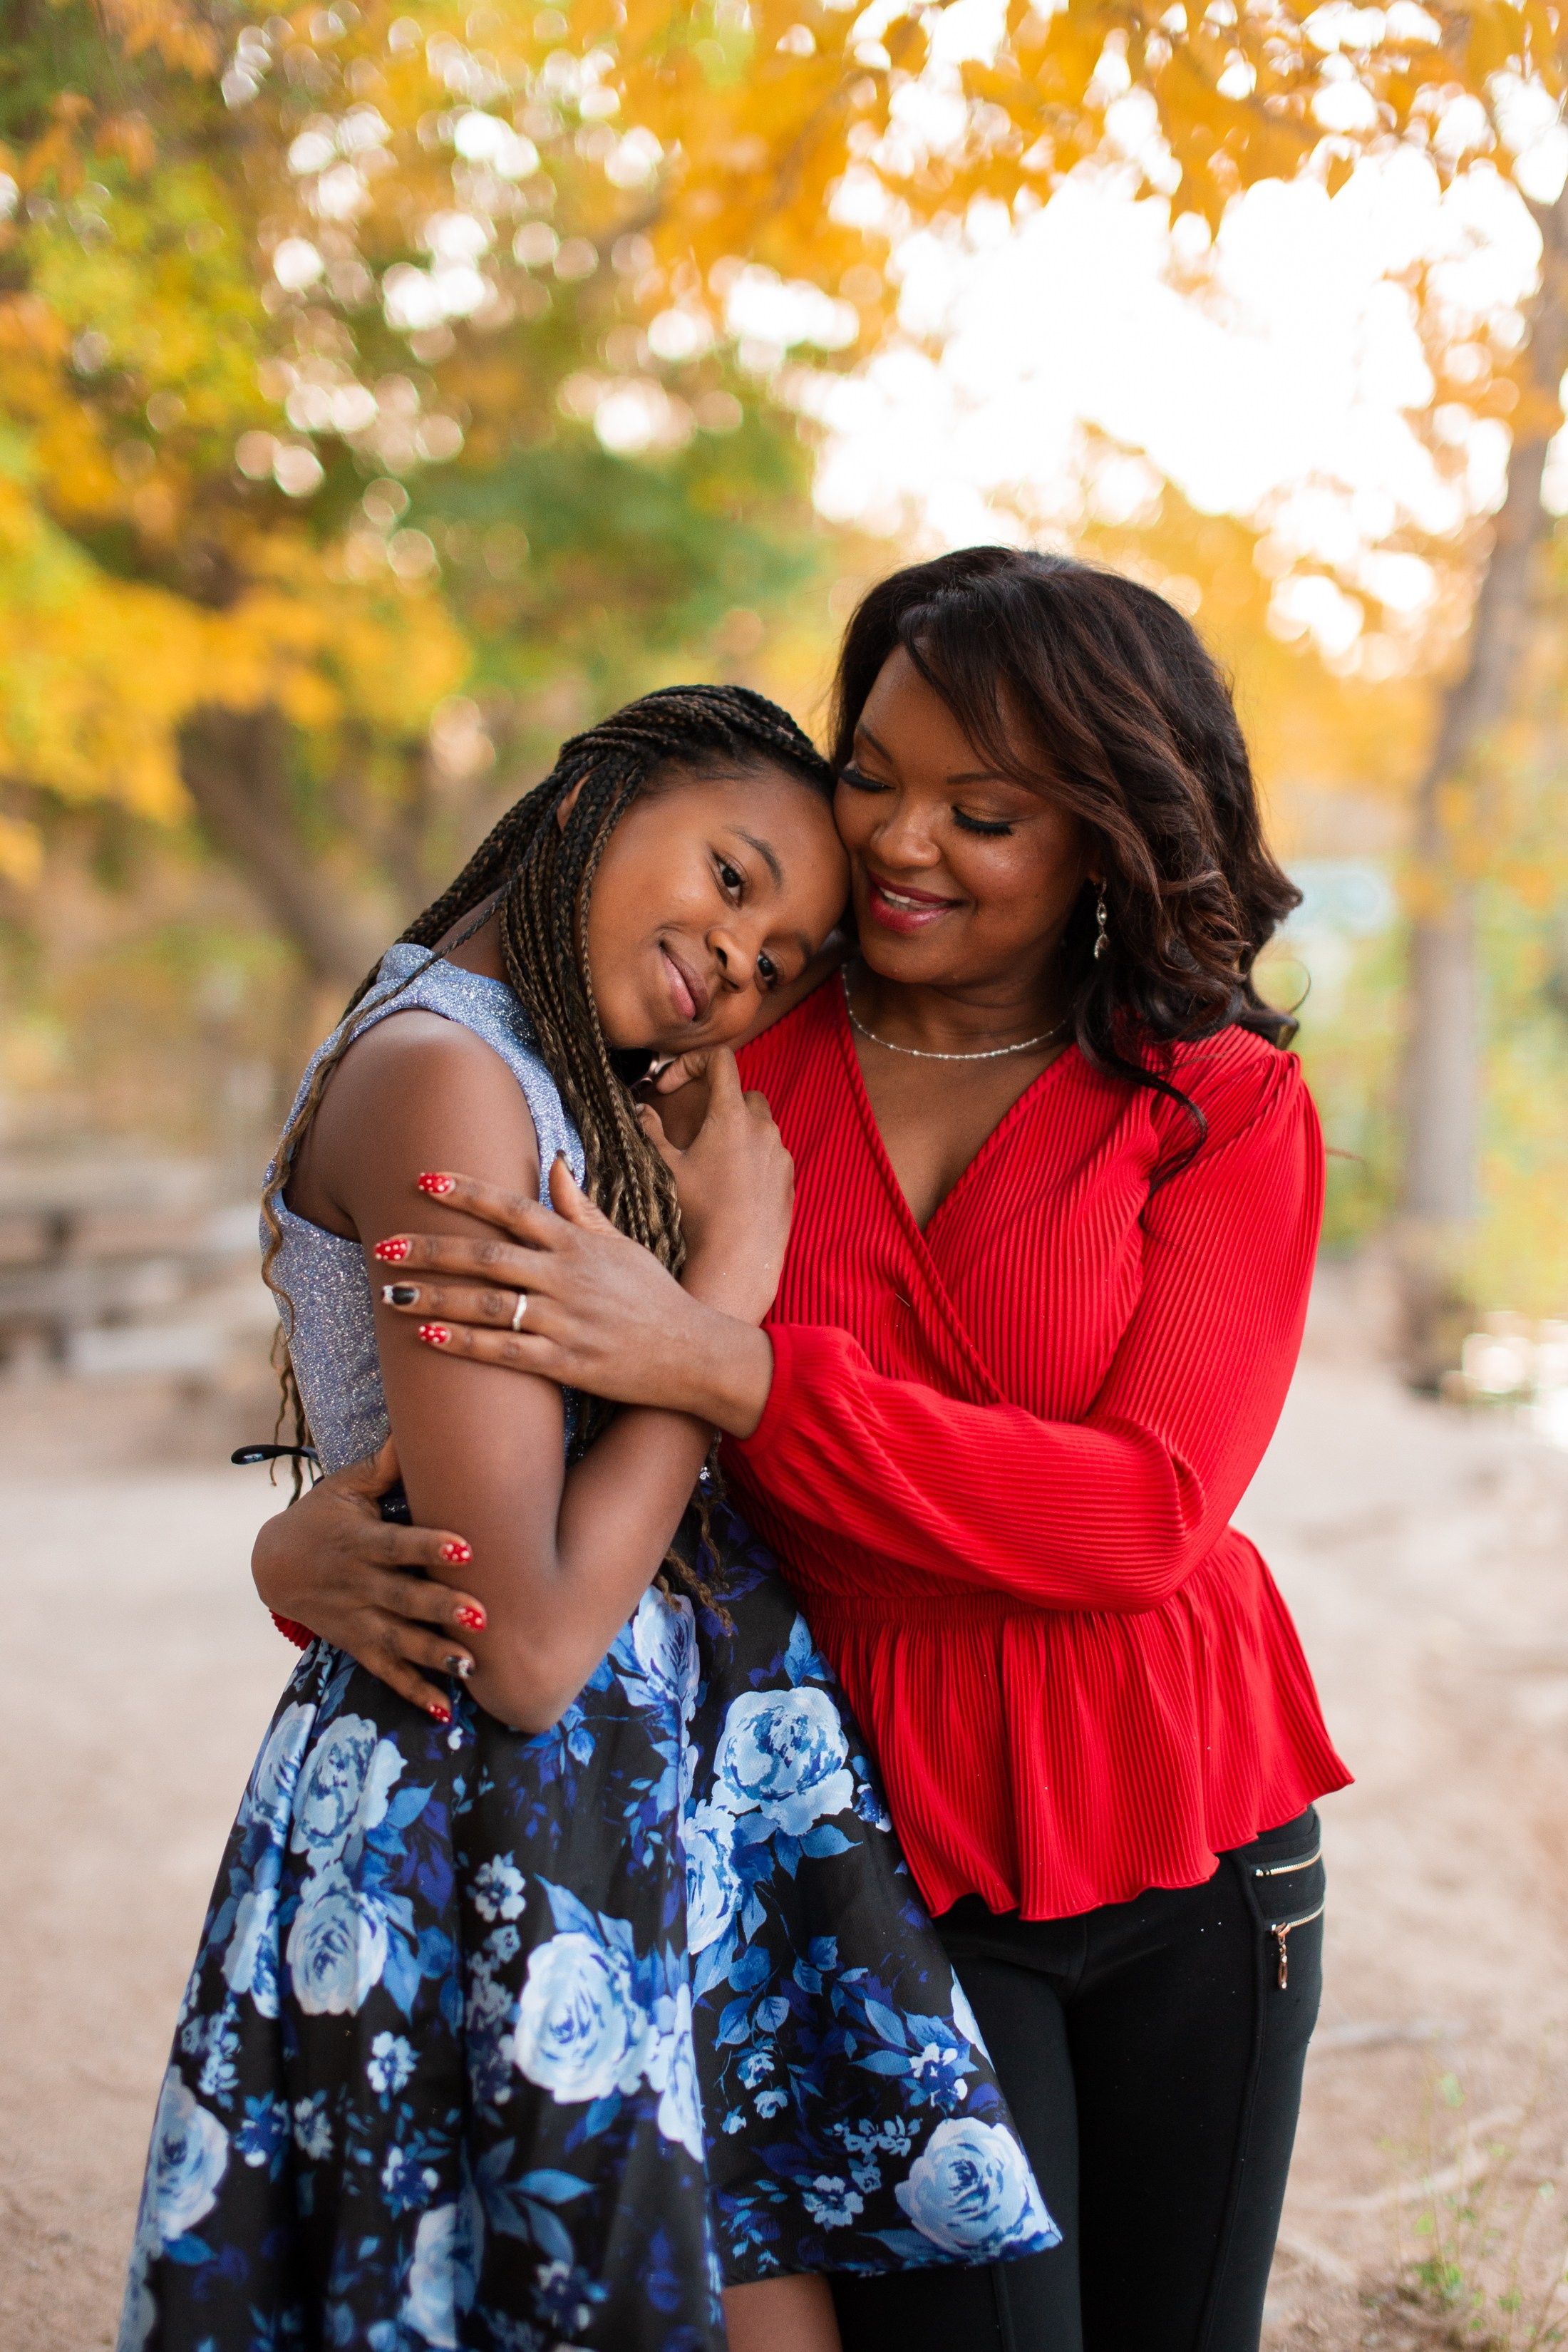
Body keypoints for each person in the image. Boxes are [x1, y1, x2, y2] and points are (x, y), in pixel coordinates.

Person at [253, 551, 1352, 2352]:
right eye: (875, 776)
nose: (904, 843)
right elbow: (522, 1439)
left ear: (1103, 834)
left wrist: (739, 1371)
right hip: (864, 1847)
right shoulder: (721, 1052)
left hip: (1188, 1824)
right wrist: (299, 1552)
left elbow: (1145, 1518)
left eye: (982, 812)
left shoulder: (1212, 1097)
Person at [119, 684, 1057, 2352]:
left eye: (780, 959)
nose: (740, 957)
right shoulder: (440, 1079)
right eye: (731, 873)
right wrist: (728, 1299)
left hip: (655, 1785)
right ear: (579, 811)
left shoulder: (553, 1071)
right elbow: (534, 1644)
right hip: (507, 1808)